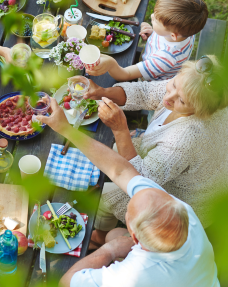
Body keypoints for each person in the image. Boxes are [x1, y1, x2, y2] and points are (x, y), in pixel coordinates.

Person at [34, 99, 220, 287]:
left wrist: (109, 251)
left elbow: (66, 282)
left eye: (128, 212)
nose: (142, 189)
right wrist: (66, 129)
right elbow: (122, 171)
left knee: (113, 241)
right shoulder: (185, 214)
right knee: (114, 234)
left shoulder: (132, 275)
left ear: (135, 235)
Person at [82, 56, 228, 244]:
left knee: (104, 197)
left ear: (200, 110)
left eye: (181, 101)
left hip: (181, 204)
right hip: (168, 166)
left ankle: (99, 236)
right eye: (173, 85)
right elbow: (145, 92)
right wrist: (103, 92)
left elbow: (140, 180)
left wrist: (120, 129)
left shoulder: (185, 139)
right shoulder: (192, 86)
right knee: (108, 151)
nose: (168, 98)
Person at [86, 0, 208, 81]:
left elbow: (126, 75)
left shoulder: (164, 59)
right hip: (152, 59)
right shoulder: (186, 31)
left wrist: (111, 64)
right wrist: (153, 33)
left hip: (150, 80)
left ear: (173, 35)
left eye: (156, 20)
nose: (151, 17)